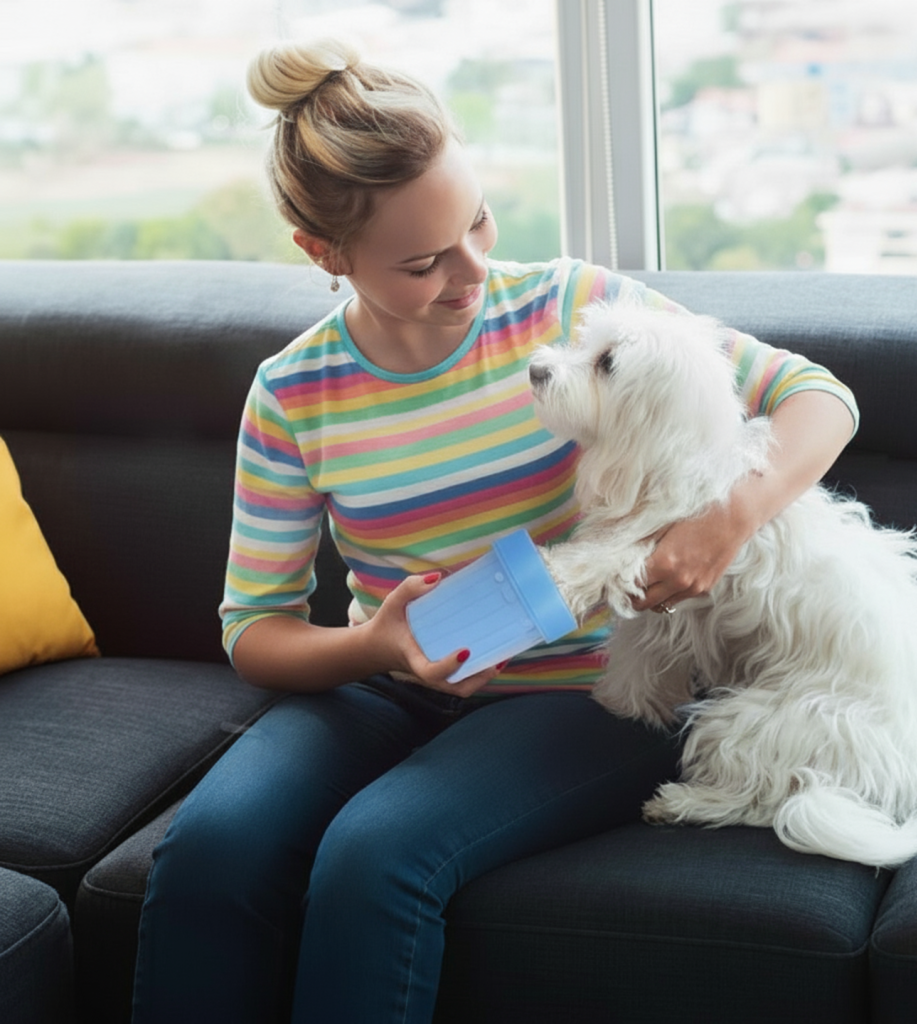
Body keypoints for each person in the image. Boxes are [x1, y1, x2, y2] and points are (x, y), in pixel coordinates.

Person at [131, 37, 859, 1024]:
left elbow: (818, 397)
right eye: (423, 261)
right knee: (210, 850)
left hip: (578, 692)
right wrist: (377, 646)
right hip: (384, 687)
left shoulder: (575, 307)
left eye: (475, 221)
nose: (471, 270)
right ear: (323, 253)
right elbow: (254, 630)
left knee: (375, 856)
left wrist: (723, 524)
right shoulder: (293, 393)